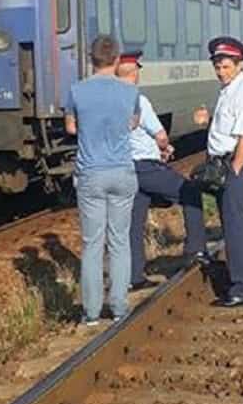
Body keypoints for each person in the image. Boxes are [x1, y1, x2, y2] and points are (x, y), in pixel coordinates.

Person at [65, 35, 141, 326]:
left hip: (91, 173)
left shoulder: (76, 91)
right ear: (117, 59)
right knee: (120, 241)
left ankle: (92, 312)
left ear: (90, 58)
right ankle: (119, 307)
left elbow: (71, 127)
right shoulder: (130, 92)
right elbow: (132, 123)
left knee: (92, 244)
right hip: (122, 171)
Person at [117, 51, 209, 291]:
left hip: (124, 168)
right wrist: (166, 148)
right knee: (190, 193)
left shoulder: (108, 100)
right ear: (135, 72)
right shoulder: (138, 99)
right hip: (145, 167)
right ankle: (195, 249)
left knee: (134, 223)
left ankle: (133, 276)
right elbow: (160, 135)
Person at [193, 37, 243, 308]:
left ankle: (242, 288)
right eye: (218, 67)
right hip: (225, 161)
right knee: (233, 222)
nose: (221, 71)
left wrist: (234, 170)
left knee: (235, 225)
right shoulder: (229, 90)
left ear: (238, 64)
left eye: (225, 66)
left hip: (236, 162)